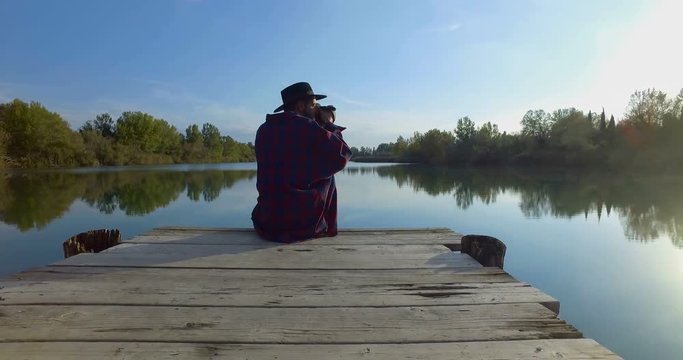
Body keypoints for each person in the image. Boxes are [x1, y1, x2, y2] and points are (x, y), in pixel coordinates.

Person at [251, 82, 352, 243]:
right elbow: (342, 154)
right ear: (300, 106)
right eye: (313, 105)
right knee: (328, 175)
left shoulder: (263, 130)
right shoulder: (306, 127)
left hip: (267, 221)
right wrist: (329, 122)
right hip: (300, 224)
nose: (316, 109)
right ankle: (326, 228)